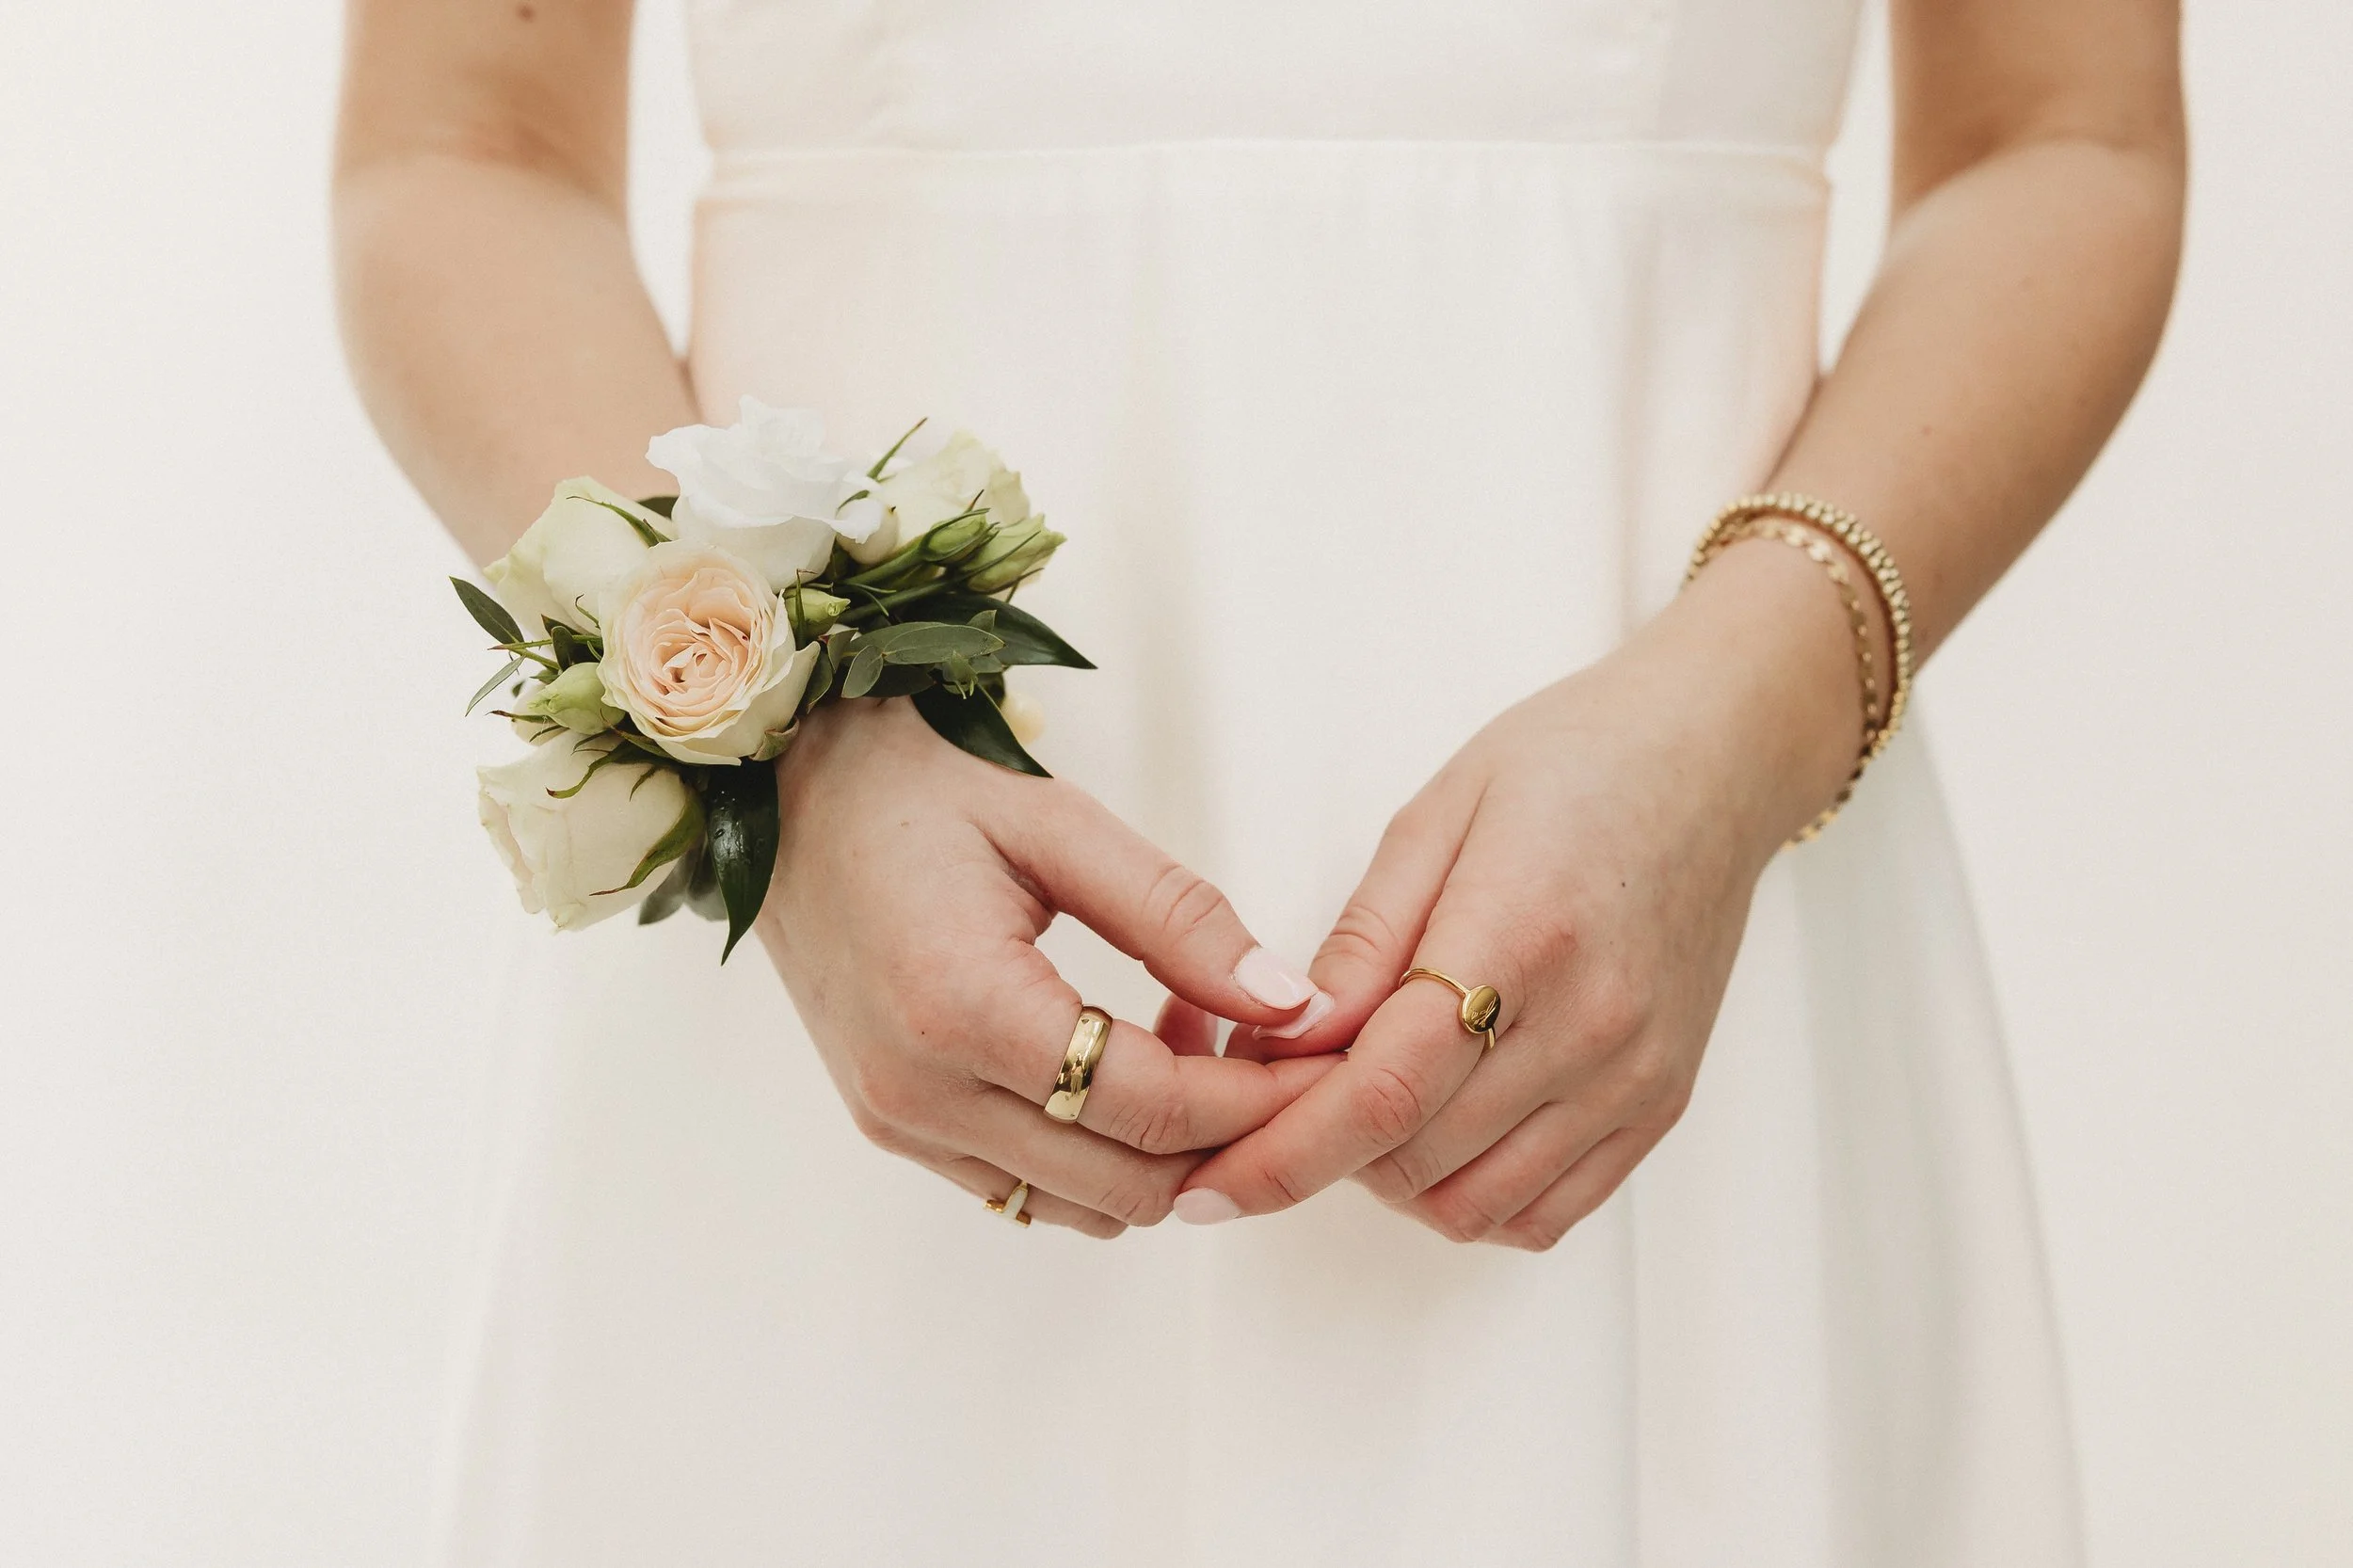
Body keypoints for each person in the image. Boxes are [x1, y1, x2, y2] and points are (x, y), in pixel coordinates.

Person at [335, 1, 2184, 1562]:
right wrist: (801, 761)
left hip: (1682, 949)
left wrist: (1732, 727)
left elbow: (2064, 136)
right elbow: (463, 146)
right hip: (837, 999)